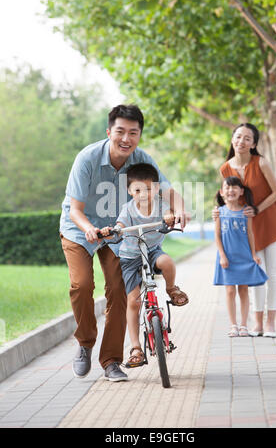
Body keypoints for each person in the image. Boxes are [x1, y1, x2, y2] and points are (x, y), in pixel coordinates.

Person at [59, 104, 190, 382]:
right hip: (80, 229)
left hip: (121, 230)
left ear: (140, 135)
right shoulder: (88, 159)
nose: (126, 138)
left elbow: (168, 191)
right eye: (120, 131)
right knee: (82, 285)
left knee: (120, 290)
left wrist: (179, 209)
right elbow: (75, 209)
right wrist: (90, 229)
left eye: (133, 132)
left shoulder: (142, 159)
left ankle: (111, 361)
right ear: (109, 132)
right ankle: (85, 342)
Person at [100, 163, 189, 367]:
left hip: (152, 252)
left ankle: (172, 289)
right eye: (138, 190)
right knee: (133, 302)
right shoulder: (128, 208)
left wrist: (169, 217)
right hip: (131, 257)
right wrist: (116, 230)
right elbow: (121, 224)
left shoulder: (160, 205)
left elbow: (168, 215)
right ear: (130, 191)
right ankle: (135, 347)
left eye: (149, 189)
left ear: (157, 188)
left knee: (166, 261)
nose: (143, 194)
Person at [213, 123, 276, 337]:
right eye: (238, 137)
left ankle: (270, 323)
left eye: (247, 138)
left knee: (272, 273)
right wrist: (218, 212)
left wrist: (256, 209)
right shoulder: (225, 167)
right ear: (232, 139)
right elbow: (227, 195)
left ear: (254, 143)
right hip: (247, 228)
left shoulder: (261, 162)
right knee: (254, 272)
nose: (241, 141)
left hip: (270, 221)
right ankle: (257, 323)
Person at [214, 176, 268, 337]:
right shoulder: (219, 212)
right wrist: (222, 255)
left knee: (244, 290)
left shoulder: (246, 211)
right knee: (230, 290)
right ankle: (233, 325)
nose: (231, 190)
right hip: (227, 258)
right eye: (227, 188)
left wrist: (253, 254)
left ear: (241, 191)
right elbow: (217, 236)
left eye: (235, 187)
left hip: (244, 256)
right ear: (222, 192)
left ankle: (244, 325)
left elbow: (250, 234)